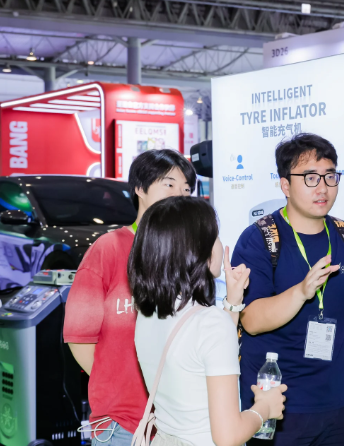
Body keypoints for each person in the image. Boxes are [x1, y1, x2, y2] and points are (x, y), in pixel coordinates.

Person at [231, 133, 344, 446]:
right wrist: (301, 291)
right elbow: (250, 320)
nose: (323, 188)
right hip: (275, 403)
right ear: (285, 185)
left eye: (330, 176)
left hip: (335, 400)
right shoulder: (260, 239)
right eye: (310, 178)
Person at [63, 149, 197, 445]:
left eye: (187, 189)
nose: (180, 195)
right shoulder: (108, 249)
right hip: (120, 422)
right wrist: (116, 389)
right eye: (169, 184)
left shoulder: (189, 256)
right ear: (139, 188)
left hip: (178, 421)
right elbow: (79, 337)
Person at [131, 197, 287, 446]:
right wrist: (264, 408)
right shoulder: (210, 323)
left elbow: (200, 352)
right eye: (214, 236)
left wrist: (233, 302)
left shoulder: (148, 313)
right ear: (196, 250)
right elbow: (228, 436)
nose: (220, 243)